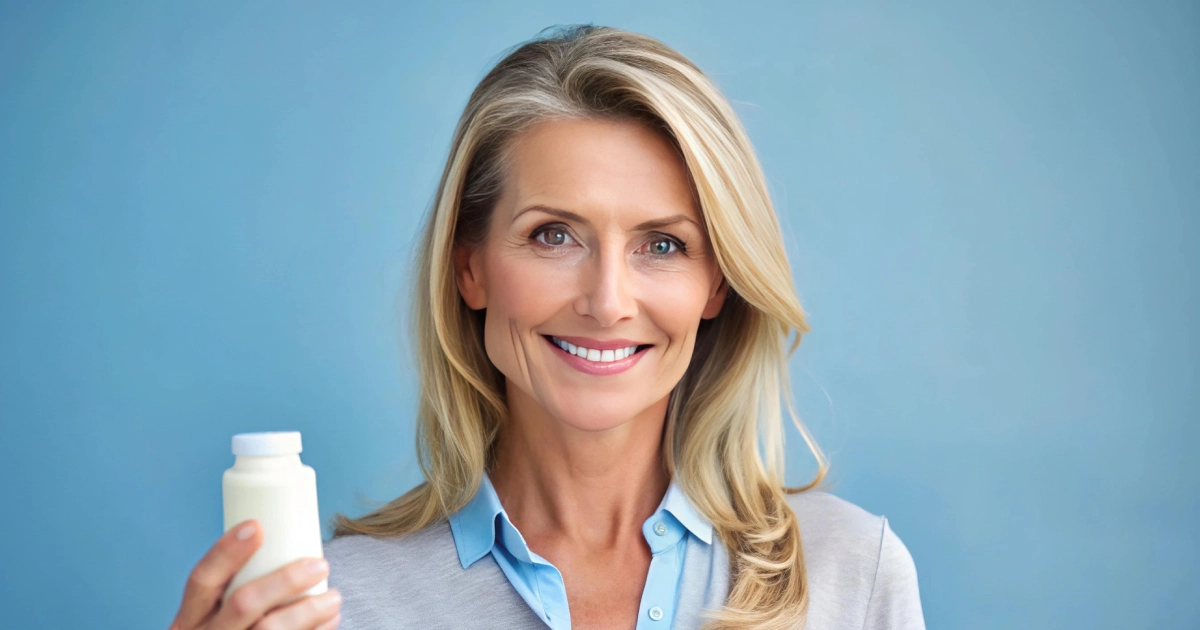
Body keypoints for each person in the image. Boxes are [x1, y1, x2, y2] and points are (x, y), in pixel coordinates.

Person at [169, 24, 924, 630]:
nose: (607, 301)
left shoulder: (851, 573)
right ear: (469, 269)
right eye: (553, 235)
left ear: (715, 286)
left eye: (662, 245)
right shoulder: (329, 607)